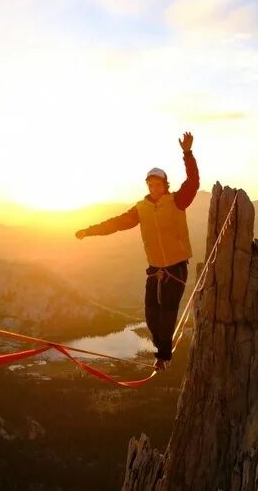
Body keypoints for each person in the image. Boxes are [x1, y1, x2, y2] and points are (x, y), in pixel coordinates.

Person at [75, 132, 199, 370]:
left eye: (157, 184)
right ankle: (160, 349)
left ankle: (163, 356)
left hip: (176, 266)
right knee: (151, 315)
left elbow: (193, 181)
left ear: (165, 185)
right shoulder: (141, 209)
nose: (154, 188)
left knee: (168, 312)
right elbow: (116, 223)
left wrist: (187, 153)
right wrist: (89, 231)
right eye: (150, 185)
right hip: (155, 268)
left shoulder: (177, 201)